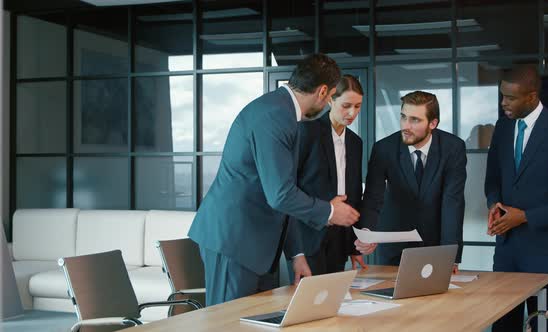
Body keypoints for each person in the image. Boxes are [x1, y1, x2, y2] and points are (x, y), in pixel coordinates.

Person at [187, 54, 360, 306]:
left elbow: (284, 192)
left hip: (258, 246)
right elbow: (280, 194)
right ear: (323, 91)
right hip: (234, 240)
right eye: (331, 96)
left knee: (255, 322)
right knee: (228, 324)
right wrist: (330, 211)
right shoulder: (275, 117)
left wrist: (297, 254)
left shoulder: (284, 113)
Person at [485, 65, 548, 332]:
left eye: (510, 97)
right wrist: (493, 203)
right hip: (506, 249)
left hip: (543, 250)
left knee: (544, 324)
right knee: (503, 325)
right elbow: (493, 180)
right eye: (502, 96)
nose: (503, 103)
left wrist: (525, 217)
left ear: (531, 97)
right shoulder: (503, 128)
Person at [355, 91, 466, 272]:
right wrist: (367, 231)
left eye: (415, 120)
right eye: (403, 117)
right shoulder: (384, 149)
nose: (406, 126)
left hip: (435, 244)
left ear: (433, 123)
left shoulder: (453, 148)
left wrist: (451, 254)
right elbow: (373, 197)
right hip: (393, 244)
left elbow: (452, 202)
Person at [283, 75, 366, 285]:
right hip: (308, 235)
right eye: (346, 105)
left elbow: (354, 194)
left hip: (339, 238)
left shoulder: (356, 142)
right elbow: (289, 189)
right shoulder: (306, 132)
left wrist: (353, 246)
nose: (352, 113)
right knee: (308, 305)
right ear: (330, 100)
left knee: (333, 303)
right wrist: (296, 251)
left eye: (357, 106)